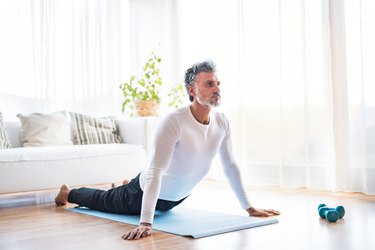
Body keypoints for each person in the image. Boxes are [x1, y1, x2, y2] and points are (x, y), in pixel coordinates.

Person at [55, 60, 280, 240]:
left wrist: (249, 208)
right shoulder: (174, 121)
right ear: (192, 90)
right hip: (142, 193)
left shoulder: (222, 122)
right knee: (104, 201)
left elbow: (230, 166)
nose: (217, 89)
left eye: (218, 83)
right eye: (209, 84)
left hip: (176, 198)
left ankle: (127, 184)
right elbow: (156, 172)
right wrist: (145, 223)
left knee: (128, 194)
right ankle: (68, 192)